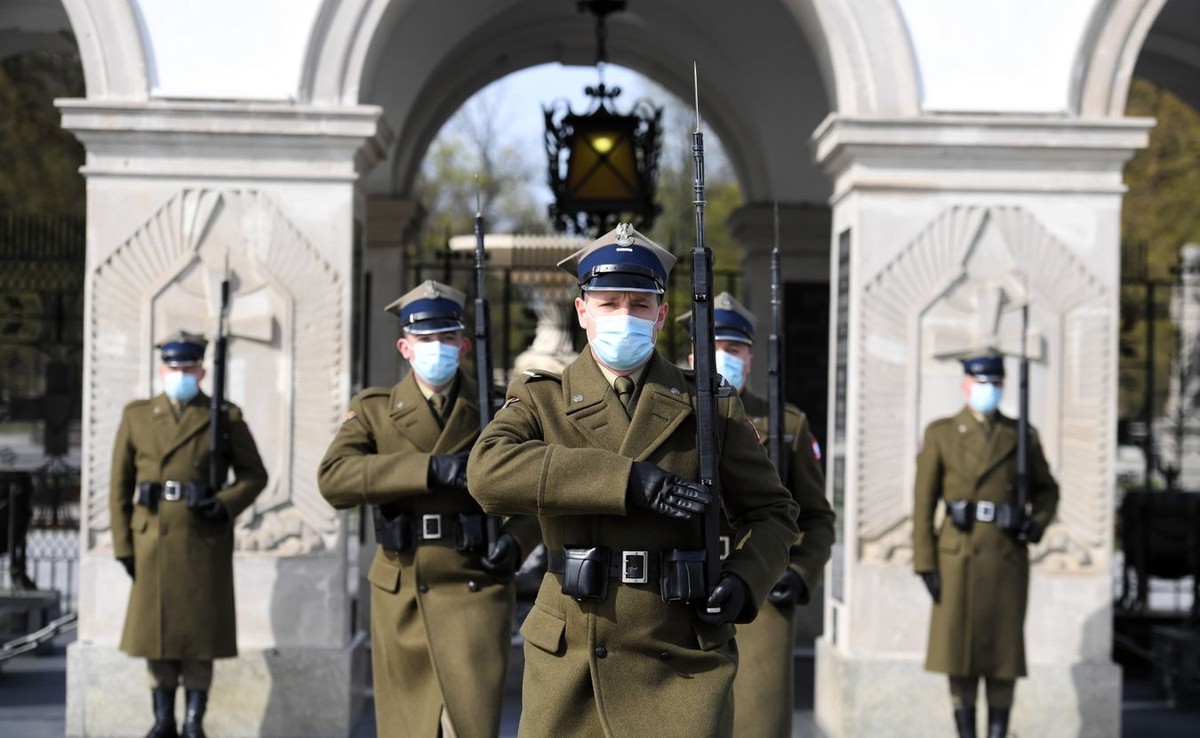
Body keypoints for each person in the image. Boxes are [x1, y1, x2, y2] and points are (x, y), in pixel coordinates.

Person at [467, 223, 800, 738]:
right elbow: (487, 472)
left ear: (661, 315)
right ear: (582, 312)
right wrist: (625, 481)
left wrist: (744, 578)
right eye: (609, 303)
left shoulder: (709, 403)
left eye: (640, 304)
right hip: (572, 656)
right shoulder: (541, 398)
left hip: (679, 658)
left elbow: (773, 513)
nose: (625, 316)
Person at [317, 280, 541, 738]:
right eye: (425, 338)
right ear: (405, 347)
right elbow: (334, 479)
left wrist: (517, 542)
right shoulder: (375, 410)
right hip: (403, 586)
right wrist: (428, 469)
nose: (436, 347)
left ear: (463, 344)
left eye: (446, 337)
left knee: (469, 726)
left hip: (475, 582)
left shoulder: (498, 407)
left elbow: (540, 489)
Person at [677, 291, 835, 737]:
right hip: (689, 586)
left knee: (756, 723)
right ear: (693, 356)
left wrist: (799, 572)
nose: (724, 358)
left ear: (749, 359)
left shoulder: (786, 424)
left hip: (760, 590)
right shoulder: (671, 412)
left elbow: (817, 517)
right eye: (714, 348)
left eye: (734, 349)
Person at [110, 330, 268, 738]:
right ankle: (163, 719)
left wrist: (224, 503)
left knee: (199, 637)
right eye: (174, 367)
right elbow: (119, 486)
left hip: (202, 536)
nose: (180, 374)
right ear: (162, 370)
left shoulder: (224, 417)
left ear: (201, 371)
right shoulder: (137, 416)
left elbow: (254, 475)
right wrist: (123, 545)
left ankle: (194, 720)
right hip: (152, 538)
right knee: (156, 635)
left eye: (188, 368)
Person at [911, 350, 1059, 738]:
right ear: (965, 385)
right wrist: (925, 561)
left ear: (1004, 385)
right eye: (980, 382)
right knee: (958, 655)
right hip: (958, 555)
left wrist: (1034, 523)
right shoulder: (942, 433)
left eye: (994, 383)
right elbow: (924, 502)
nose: (987, 389)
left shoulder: (1021, 435)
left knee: (1002, 657)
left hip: (1005, 555)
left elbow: (1047, 490)